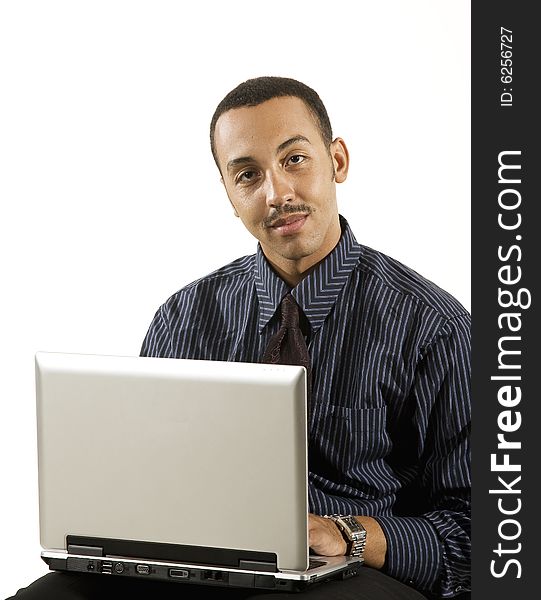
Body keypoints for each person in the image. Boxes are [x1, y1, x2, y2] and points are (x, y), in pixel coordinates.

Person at [7, 76, 470, 600]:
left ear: (337, 160)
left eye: (294, 159)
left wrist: (351, 534)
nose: (277, 193)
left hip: (356, 573)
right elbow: (151, 483)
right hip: (203, 566)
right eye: (248, 175)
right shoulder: (184, 318)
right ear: (228, 193)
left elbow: (489, 537)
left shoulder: (435, 326)